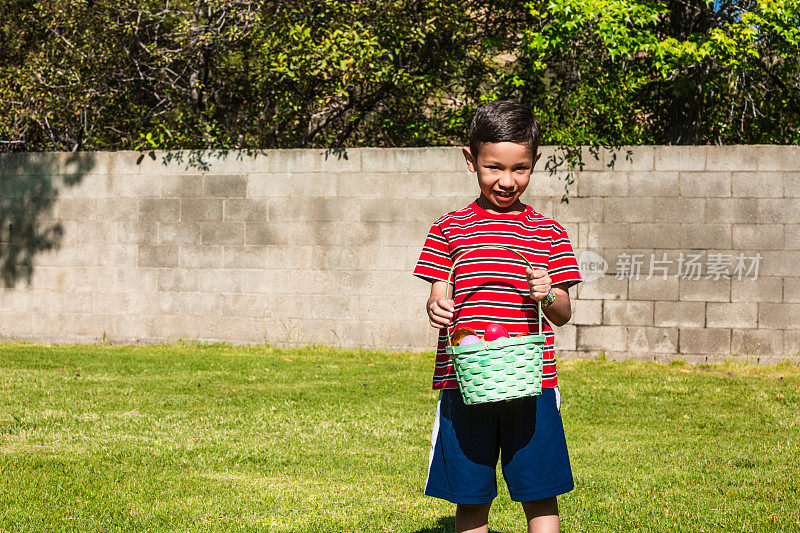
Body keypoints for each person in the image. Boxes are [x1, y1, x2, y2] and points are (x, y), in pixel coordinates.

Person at [412, 100, 583, 533]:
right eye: (494, 168)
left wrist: (548, 295)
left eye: (520, 169)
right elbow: (438, 294)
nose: (507, 181)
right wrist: (436, 306)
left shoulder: (548, 232)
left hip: (532, 383)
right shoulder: (448, 228)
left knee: (540, 493)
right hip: (466, 382)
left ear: (535, 162)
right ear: (471, 160)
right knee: (470, 497)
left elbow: (562, 313)